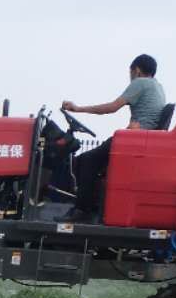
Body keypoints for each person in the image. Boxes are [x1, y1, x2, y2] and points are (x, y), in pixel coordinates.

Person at [60, 54, 166, 219]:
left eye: (130, 73)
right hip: (142, 137)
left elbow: (112, 107)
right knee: (86, 161)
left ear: (136, 71)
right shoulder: (157, 86)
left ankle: (82, 210)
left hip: (134, 139)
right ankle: (92, 206)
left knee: (87, 160)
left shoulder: (140, 83)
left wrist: (78, 109)